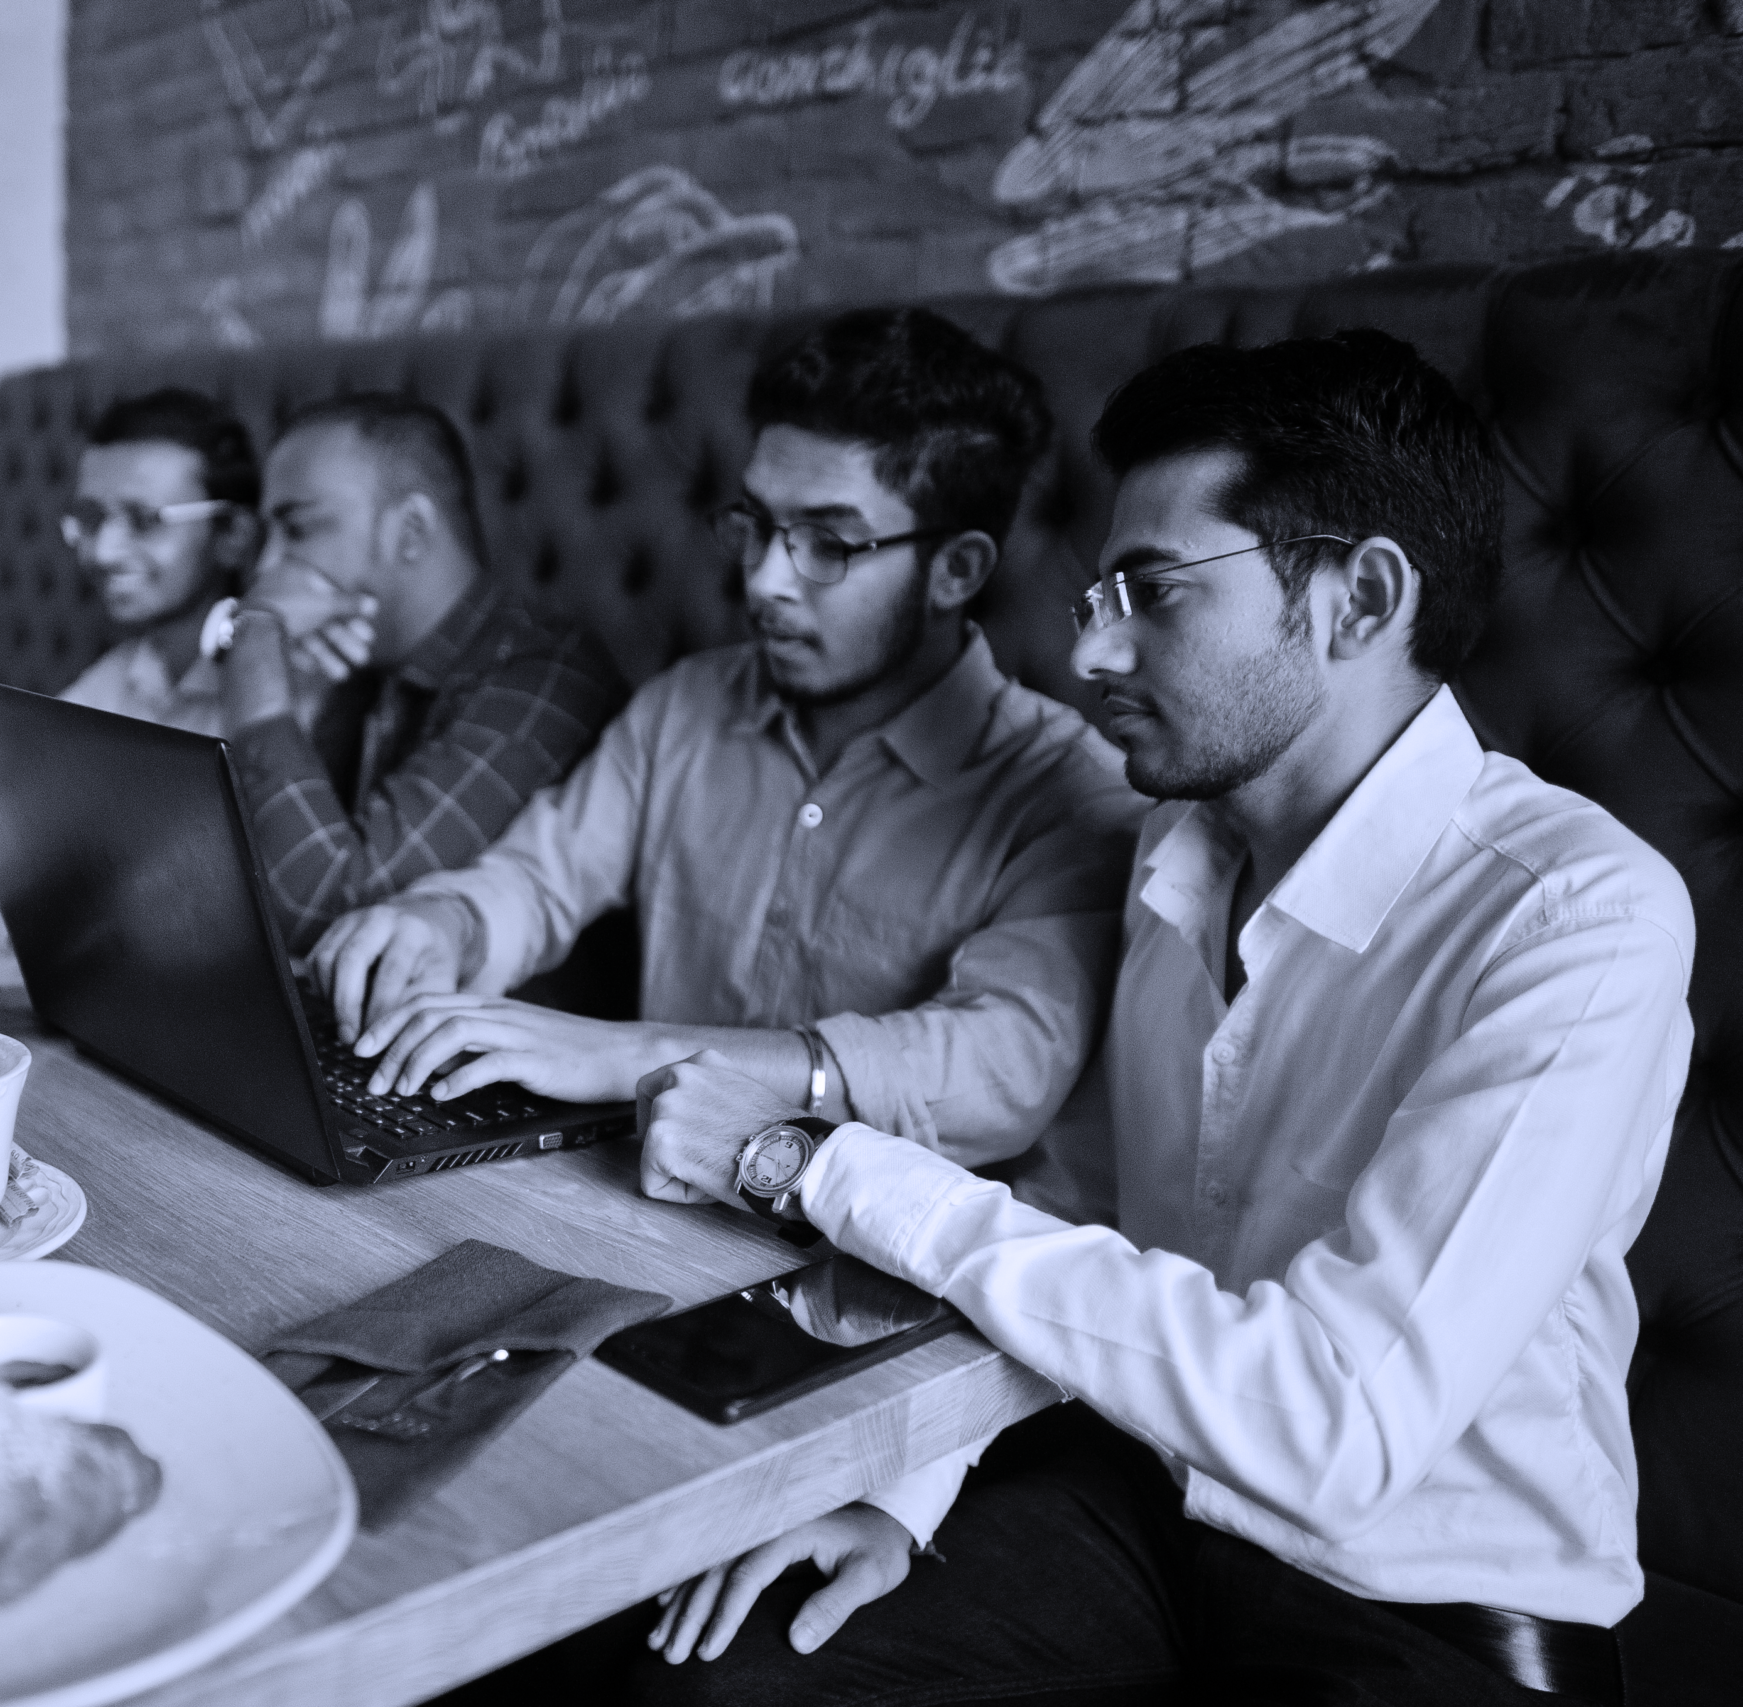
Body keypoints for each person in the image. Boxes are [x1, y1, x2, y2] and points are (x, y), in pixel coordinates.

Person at [633, 330, 1694, 1706]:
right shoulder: (1165, 851)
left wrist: (817, 1160)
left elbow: (1337, 1423)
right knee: (724, 1674)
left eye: (1153, 590)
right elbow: (1083, 1205)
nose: (1090, 646)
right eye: (1097, 589)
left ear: (1358, 597)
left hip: (1428, 1596)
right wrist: (908, 1489)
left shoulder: (1578, 912)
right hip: (1136, 1501)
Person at [313, 309, 1142, 1186]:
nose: (764, 579)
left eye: (827, 541)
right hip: (643, 1201)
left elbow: (991, 1072)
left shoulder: (1067, 796)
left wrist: (635, 1054)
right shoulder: (688, 706)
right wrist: (446, 923)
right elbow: (537, 876)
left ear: (958, 569)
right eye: (757, 524)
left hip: (882, 1283)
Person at [200, 391, 626, 952]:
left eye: (298, 530)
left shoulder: (545, 676)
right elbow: (215, 886)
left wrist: (253, 639)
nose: (266, 568)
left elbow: (322, 912)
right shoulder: (353, 659)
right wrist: (299, 697)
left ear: (412, 532)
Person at [54, 388, 263, 736]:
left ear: (232, 535)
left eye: (144, 519)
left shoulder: (270, 691)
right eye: (90, 517)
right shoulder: (119, 676)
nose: (104, 552)